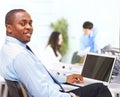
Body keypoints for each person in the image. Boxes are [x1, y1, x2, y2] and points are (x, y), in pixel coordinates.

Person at [0, 9, 112, 97]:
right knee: (100, 88)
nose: (29, 27)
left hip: (52, 91)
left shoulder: (8, 49)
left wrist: (65, 78)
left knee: (96, 88)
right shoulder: (21, 56)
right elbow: (43, 94)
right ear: (9, 28)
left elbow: (41, 75)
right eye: (23, 23)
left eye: (30, 23)